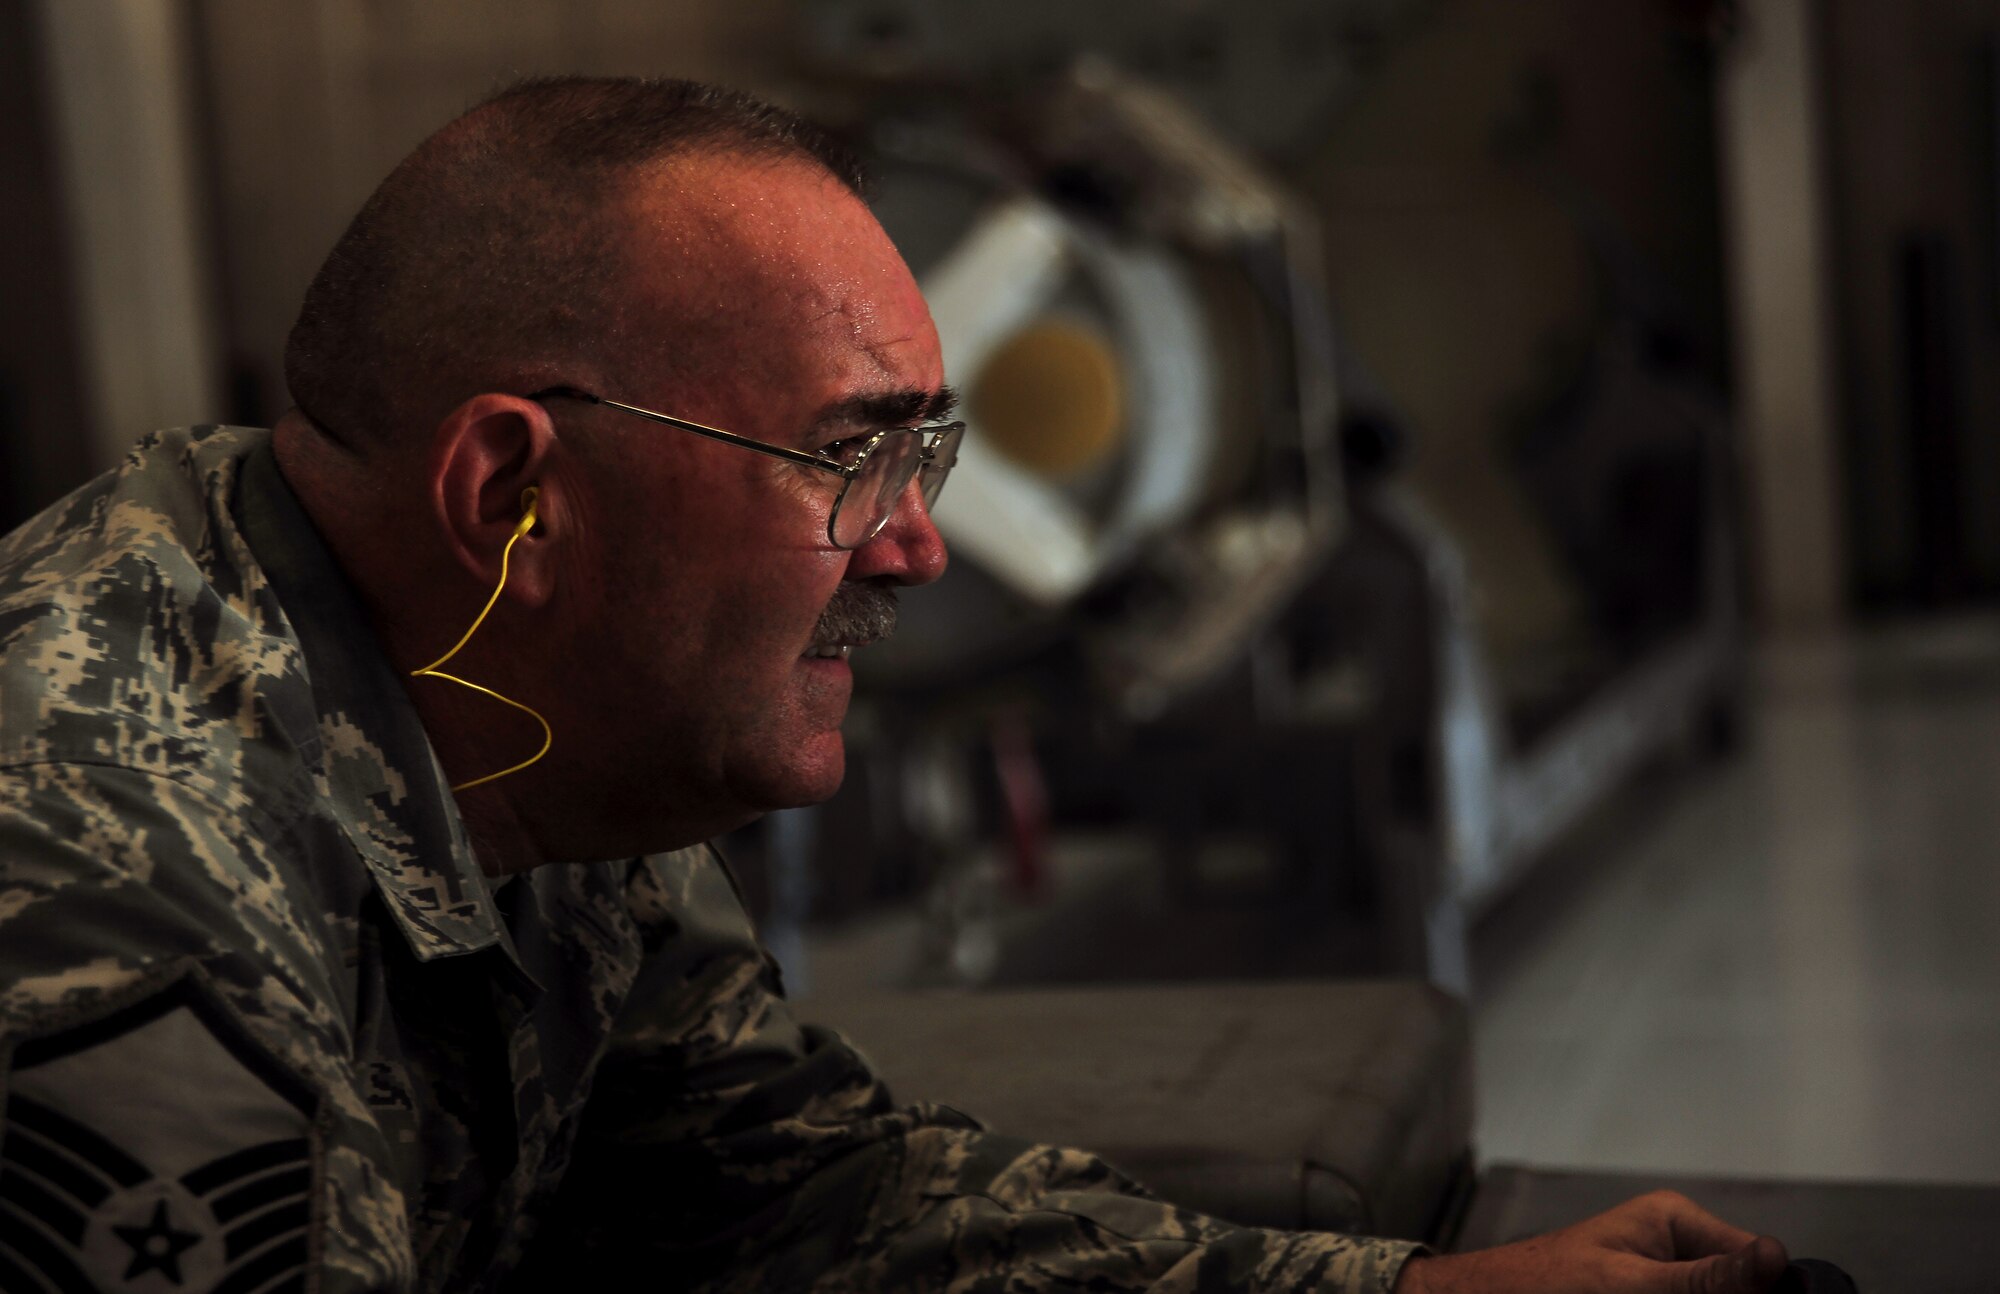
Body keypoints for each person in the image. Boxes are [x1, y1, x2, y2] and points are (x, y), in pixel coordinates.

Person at [0, 76, 1789, 1293]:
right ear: (512, 496)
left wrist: (1414, 1291)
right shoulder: (137, 926)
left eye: (929, 459)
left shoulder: (518, 708)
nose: (917, 550)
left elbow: (795, 1189)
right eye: (847, 459)